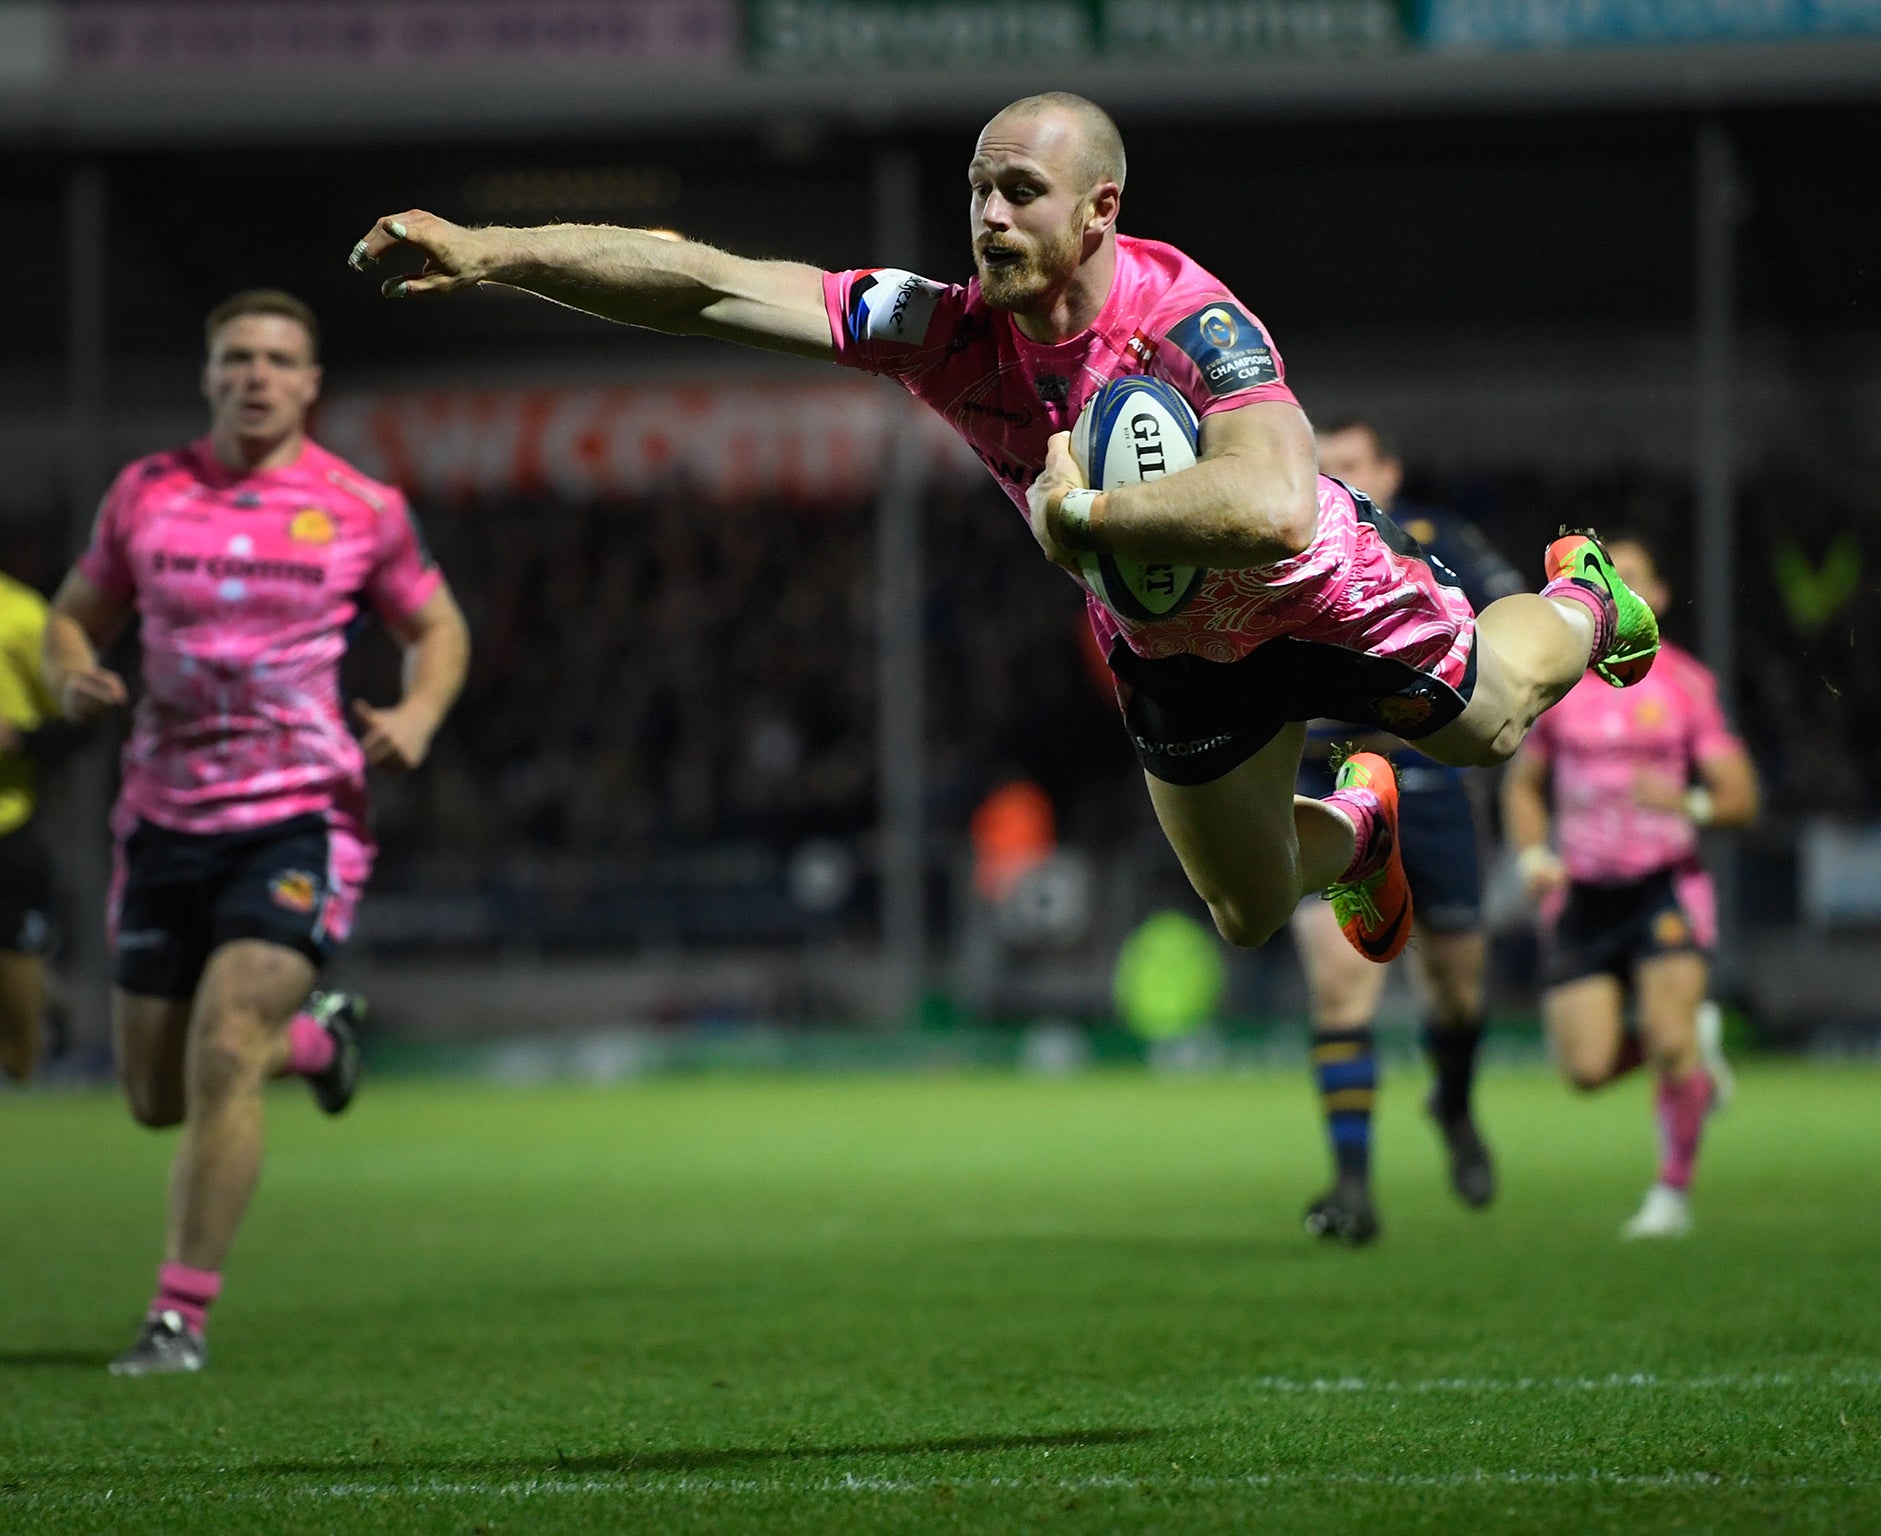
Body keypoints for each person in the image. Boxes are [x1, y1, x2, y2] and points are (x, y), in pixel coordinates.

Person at [349, 91, 1658, 982]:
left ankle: (1589, 600)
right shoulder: (946, 331)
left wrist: (1090, 518)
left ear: (1098, 210)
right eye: (977, 191)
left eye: (1020, 192)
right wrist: (492, 251)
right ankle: (1360, 828)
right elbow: (712, 282)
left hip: (1318, 591)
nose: (987, 218)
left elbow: (1264, 504)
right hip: (1174, 652)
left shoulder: (1191, 318)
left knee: (1488, 729)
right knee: (1248, 913)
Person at [43, 289, 471, 1373]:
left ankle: (176, 1316)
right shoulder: (145, 494)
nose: (256, 376)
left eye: (278, 359)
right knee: (154, 1095)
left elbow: (437, 626)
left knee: (226, 1042)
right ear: (209, 374)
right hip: (161, 816)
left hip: (299, 814)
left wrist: (418, 714)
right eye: (236, 357)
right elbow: (71, 613)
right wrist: (69, 672)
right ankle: (320, 1041)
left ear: (309, 382)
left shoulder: (358, 505)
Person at [1294, 419, 1524, 1245]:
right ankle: (1352, 1184)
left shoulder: (1439, 539)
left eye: (1351, 464)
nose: (1336, 476)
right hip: (1324, 774)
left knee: (1458, 986)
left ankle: (1453, 1105)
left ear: (1387, 471)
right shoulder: (1279, 542)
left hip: (1428, 774)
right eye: (1324, 464)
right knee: (1338, 978)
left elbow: (1511, 619)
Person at [1502, 533, 1757, 1240]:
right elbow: (1523, 787)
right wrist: (1531, 859)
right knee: (1586, 1070)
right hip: (1583, 890)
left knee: (1668, 1041)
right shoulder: (1556, 686)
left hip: (1662, 884)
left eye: (1634, 578)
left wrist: (1691, 805)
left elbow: (1739, 796)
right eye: (1608, 579)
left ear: (1659, 597)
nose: (1619, 590)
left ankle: (1671, 1195)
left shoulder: (1687, 684)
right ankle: (1692, 1047)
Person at [0, 570, 91, 1082]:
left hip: (8, 834)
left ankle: (39, 1018)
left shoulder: (22, 615)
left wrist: (20, 740)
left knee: (20, 1045)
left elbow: (83, 722)